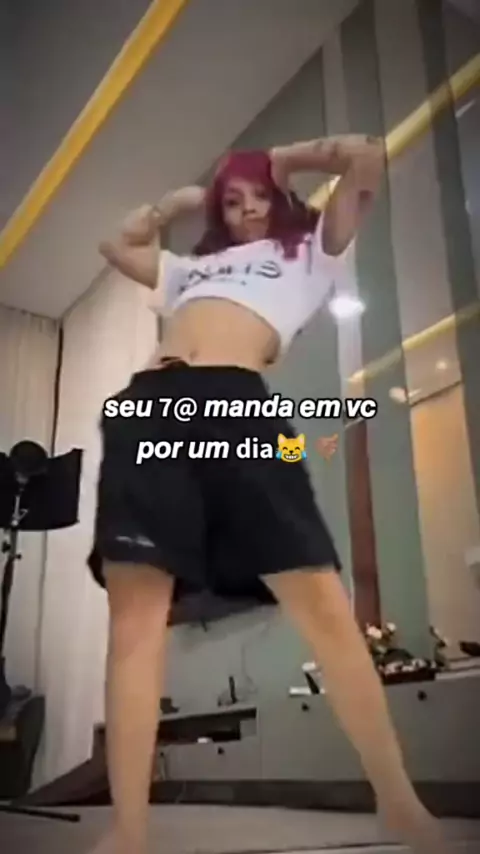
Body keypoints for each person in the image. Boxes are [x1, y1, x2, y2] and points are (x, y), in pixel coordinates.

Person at [89, 138, 450, 854]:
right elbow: (115, 245)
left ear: (280, 197)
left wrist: (280, 159)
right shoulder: (191, 270)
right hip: (148, 406)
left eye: (259, 195)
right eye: (234, 200)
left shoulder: (312, 248)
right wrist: (172, 206)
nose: (248, 208)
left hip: (243, 406)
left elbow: (366, 158)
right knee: (134, 621)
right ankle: (127, 831)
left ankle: (399, 802)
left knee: (324, 607)